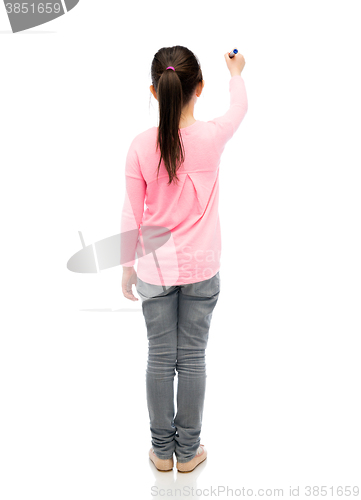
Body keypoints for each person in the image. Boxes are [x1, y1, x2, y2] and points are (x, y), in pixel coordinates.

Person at [120, 45, 247, 472]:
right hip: (203, 267)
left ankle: (161, 452)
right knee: (192, 357)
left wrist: (126, 268)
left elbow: (131, 213)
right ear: (199, 88)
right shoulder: (212, 137)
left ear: (155, 92)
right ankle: (188, 453)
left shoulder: (140, 145)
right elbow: (239, 109)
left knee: (160, 357)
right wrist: (236, 73)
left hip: (154, 270)